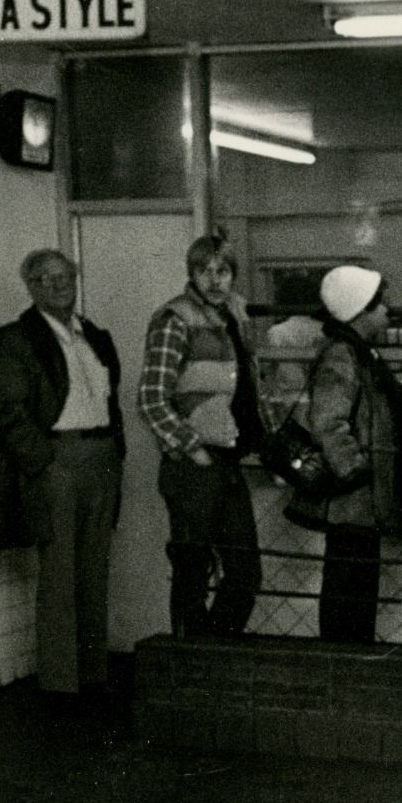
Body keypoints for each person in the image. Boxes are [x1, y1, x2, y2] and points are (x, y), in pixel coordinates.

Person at [0, 250, 124, 700]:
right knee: (60, 573)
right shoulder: (15, 339)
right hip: (57, 462)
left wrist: (115, 451)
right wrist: (42, 461)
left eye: (65, 276)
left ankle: (93, 675)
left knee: (95, 570)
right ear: (31, 287)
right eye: (46, 279)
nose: (59, 285)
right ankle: (61, 686)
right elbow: (5, 411)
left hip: (100, 459)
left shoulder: (95, 336)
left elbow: (110, 398)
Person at [283, 266, 402, 643]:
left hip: (359, 502)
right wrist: (357, 472)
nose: (387, 310)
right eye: (380, 303)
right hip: (352, 501)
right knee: (349, 591)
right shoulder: (343, 355)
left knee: (355, 588)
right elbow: (329, 423)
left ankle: (346, 667)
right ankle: (341, 669)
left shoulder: (358, 352)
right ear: (359, 310)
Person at [137, 230, 264, 638]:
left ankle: (211, 655)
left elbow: (245, 390)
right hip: (195, 465)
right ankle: (190, 668)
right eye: (203, 270)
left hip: (226, 459)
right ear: (190, 273)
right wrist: (195, 451)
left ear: (233, 275)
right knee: (193, 574)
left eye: (222, 270)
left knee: (245, 573)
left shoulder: (236, 318)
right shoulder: (176, 319)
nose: (214, 279)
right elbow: (152, 400)